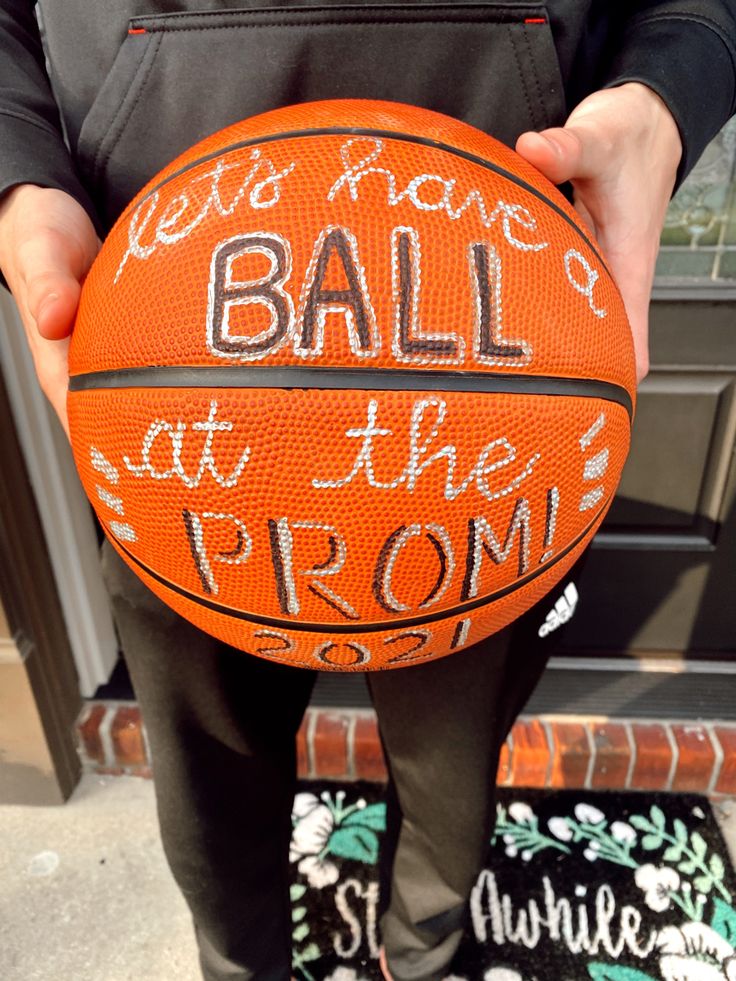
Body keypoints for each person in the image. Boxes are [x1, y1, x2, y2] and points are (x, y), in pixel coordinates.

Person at [1, 4, 734, 980]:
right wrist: (19, 174)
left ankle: (420, 955)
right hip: (178, 381)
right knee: (211, 788)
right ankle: (240, 967)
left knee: (452, 779)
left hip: (501, 382)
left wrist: (666, 92)